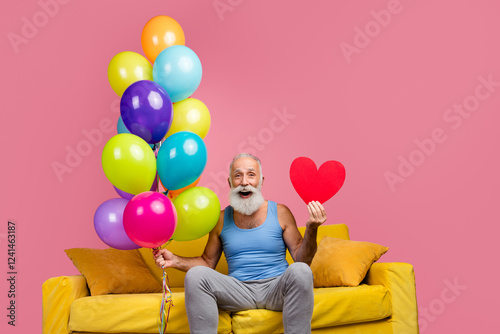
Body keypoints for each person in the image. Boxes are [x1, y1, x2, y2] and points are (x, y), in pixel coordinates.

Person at [153, 153, 327, 334]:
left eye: (251, 175)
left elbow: (302, 260)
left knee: (301, 271)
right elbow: (207, 262)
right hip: (238, 291)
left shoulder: (281, 212)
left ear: (261, 181)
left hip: (276, 289)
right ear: (230, 183)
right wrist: (175, 260)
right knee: (196, 275)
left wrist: (312, 228)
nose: (244, 181)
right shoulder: (220, 219)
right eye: (238, 175)